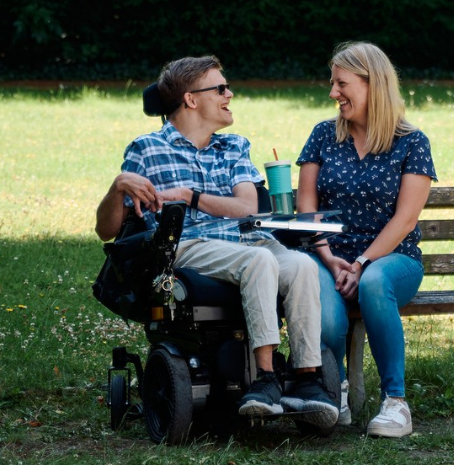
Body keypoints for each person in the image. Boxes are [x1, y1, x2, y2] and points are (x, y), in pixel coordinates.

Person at [94, 56, 337, 427]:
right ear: (192, 99)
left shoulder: (234, 146)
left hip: (247, 242)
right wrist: (117, 187)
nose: (229, 94)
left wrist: (190, 196)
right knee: (260, 263)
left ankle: (307, 379)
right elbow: (106, 230)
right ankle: (267, 379)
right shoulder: (146, 150)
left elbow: (245, 206)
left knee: (301, 265)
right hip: (189, 245)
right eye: (220, 88)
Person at [298, 42, 434, 438]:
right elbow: (308, 206)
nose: (333, 93)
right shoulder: (323, 135)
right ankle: (333, 393)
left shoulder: (412, 142)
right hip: (327, 256)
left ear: (372, 84)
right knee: (322, 303)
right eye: (332, 83)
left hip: (392, 259)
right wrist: (326, 255)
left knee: (374, 283)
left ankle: (396, 404)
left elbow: (405, 219)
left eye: (342, 83)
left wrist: (361, 263)